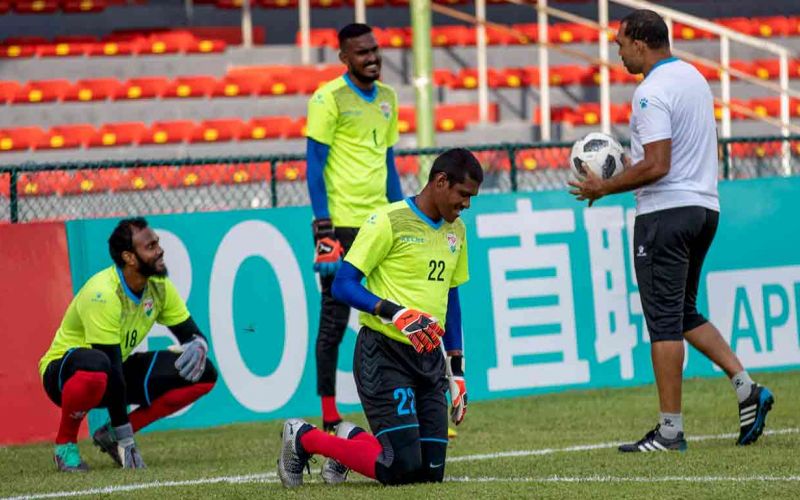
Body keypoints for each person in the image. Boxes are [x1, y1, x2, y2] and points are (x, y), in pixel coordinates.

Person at [569, 9, 774, 452]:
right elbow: (666, 157)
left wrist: (605, 186)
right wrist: (629, 169)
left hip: (665, 215)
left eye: (621, 43)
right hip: (703, 209)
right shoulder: (694, 78)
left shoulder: (650, 92)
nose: (618, 52)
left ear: (641, 43)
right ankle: (747, 388)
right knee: (681, 313)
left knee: (663, 323)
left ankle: (669, 431)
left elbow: (658, 166)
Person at [278, 148, 482, 487]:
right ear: (441, 181)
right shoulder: (387, 220)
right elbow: (343, 285)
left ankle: (351, 438)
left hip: (428, 360)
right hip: (383, 354)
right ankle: (303, 437)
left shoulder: (456, 231)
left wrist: (456, 371)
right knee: (401, 468)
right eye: (463, 195)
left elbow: (451, 295)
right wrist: (396, 313)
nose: (467, 205)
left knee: (430, 475)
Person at [38, 217, 218, 472]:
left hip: (112, 370)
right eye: (151, 246)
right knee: (98, 367)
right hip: (65, 375)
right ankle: (65, 445)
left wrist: (199, 344)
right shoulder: (103, 294)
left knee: (205, 374)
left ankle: (111, 434)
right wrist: (128, 441)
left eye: (157, 243)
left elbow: (190, 334)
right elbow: (111, 372)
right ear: (129, 257)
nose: (160, 250)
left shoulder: (158, 285)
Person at [305, 22, 404, 433]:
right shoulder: (328, 98)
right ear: (344, 58)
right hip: (342, 226)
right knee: (334, 319)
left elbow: (389, 162)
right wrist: (323, 228)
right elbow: (313, 165)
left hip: (380, 222)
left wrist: (401, 212)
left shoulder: (388, 98)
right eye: (362, 53)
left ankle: (404, 399)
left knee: (397, 310)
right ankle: (329, 413)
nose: (372, 58)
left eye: (375, 50)